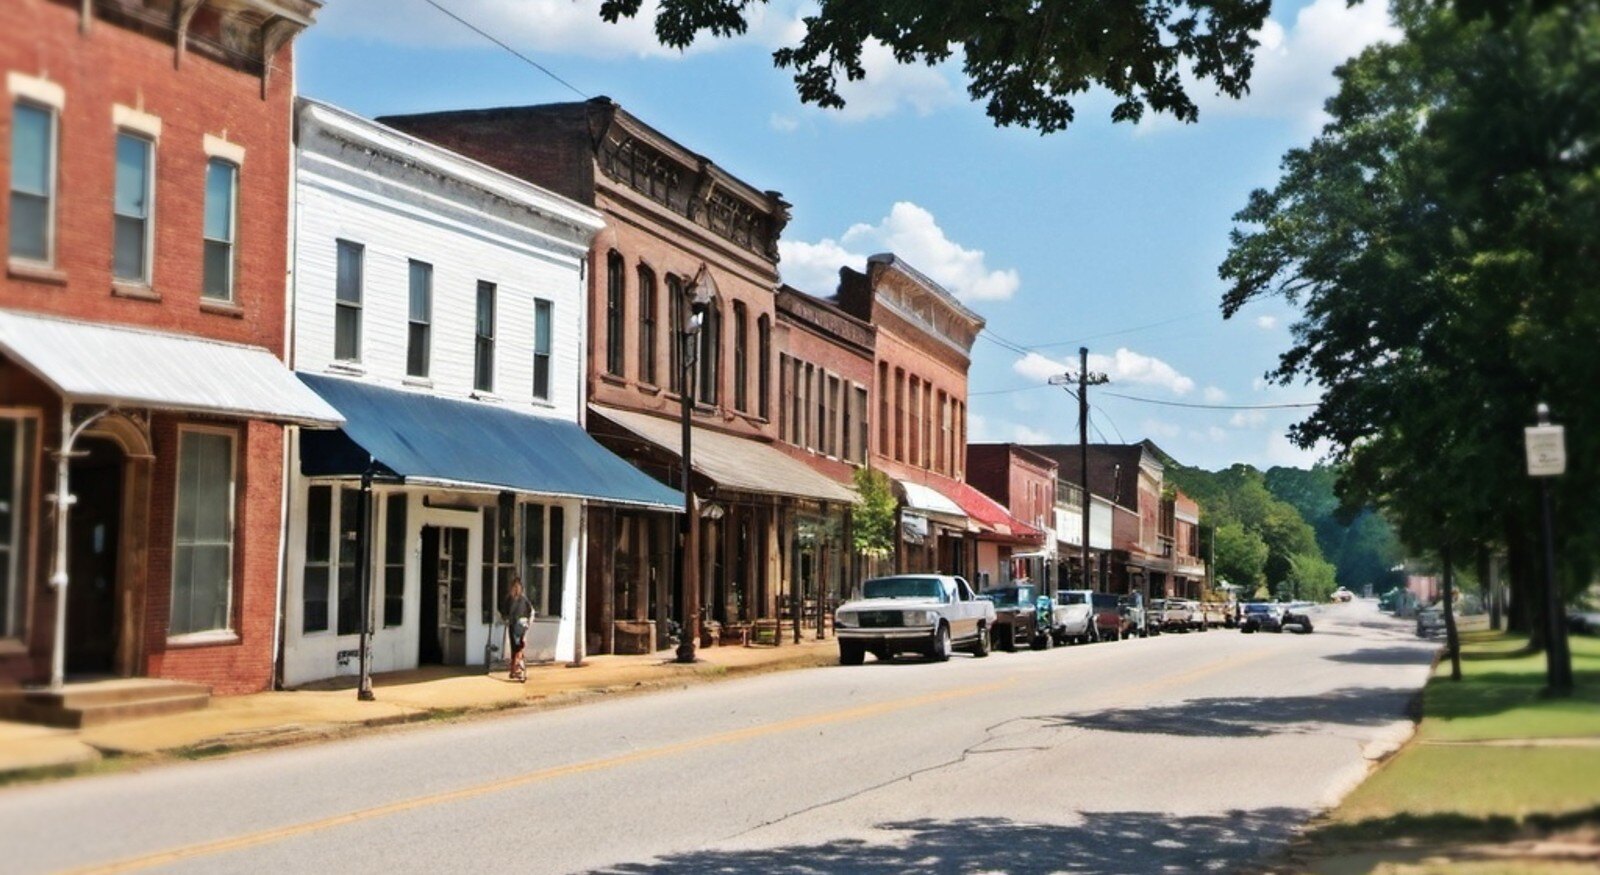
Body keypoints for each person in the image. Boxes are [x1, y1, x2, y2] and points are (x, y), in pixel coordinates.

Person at [503, 577, 534, 682]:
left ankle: (518, 669)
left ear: (521, 588)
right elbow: (504, 612)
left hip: (521, 626)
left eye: (518, 587)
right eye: (514, 587)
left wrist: (528, 623)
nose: (516, 589)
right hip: (512, 625)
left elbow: (530, 611)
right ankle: (513, 670)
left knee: (519, 647)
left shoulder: (524, 600)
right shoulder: (508, 599)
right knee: (514, 648)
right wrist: (506, 619)